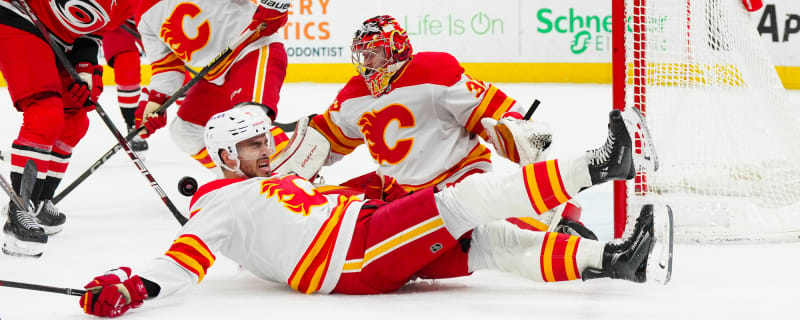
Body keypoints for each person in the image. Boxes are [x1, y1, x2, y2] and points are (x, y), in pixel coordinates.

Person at [77, 104, 672, 318]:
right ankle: (602, 164)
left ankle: (617, 260)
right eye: (254, 144)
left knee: (487, 241)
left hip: (362, 239)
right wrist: (132, 286)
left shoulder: (277, 180)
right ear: (225, 155)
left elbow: (327, 197)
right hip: (353, 258)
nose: (267, 149)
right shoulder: (217, 202)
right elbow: (182, 260)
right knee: (463, 205)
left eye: (266, 139)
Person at [280, 16, 592, 238]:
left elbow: (489, 108)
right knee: (334, 206)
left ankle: (549, 219)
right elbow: (325, 138)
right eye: (363, 54)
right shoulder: (354, 94)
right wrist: (286, 159)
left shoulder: (433, 73)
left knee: (481, 232)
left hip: (455, 181)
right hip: (399, 192)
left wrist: (513, 127)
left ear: (395, 49)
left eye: (374, 52)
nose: (367, 61)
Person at [0, 0, 137, 257]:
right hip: (18, 16)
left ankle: (39, 200)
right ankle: (20, 209)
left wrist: (85, 70)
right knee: (46, 115)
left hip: (63, 40)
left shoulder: (130, 6)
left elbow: (93, 31)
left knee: (75, 120)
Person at [133, 0, 290, 173]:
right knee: (185, 131)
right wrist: (156, 101)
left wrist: (276, 5)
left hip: (252, 50)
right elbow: (166, 66)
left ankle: (293, 176)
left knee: (248, 123)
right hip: (217, 76)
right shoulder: (143, 14)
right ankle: (239, 179)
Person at [101, 17, 149, 153]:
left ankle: (195, 120)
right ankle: (133, 123)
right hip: (117, 15)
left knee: (173, 60)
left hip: (149, 10)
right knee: (126, 65)